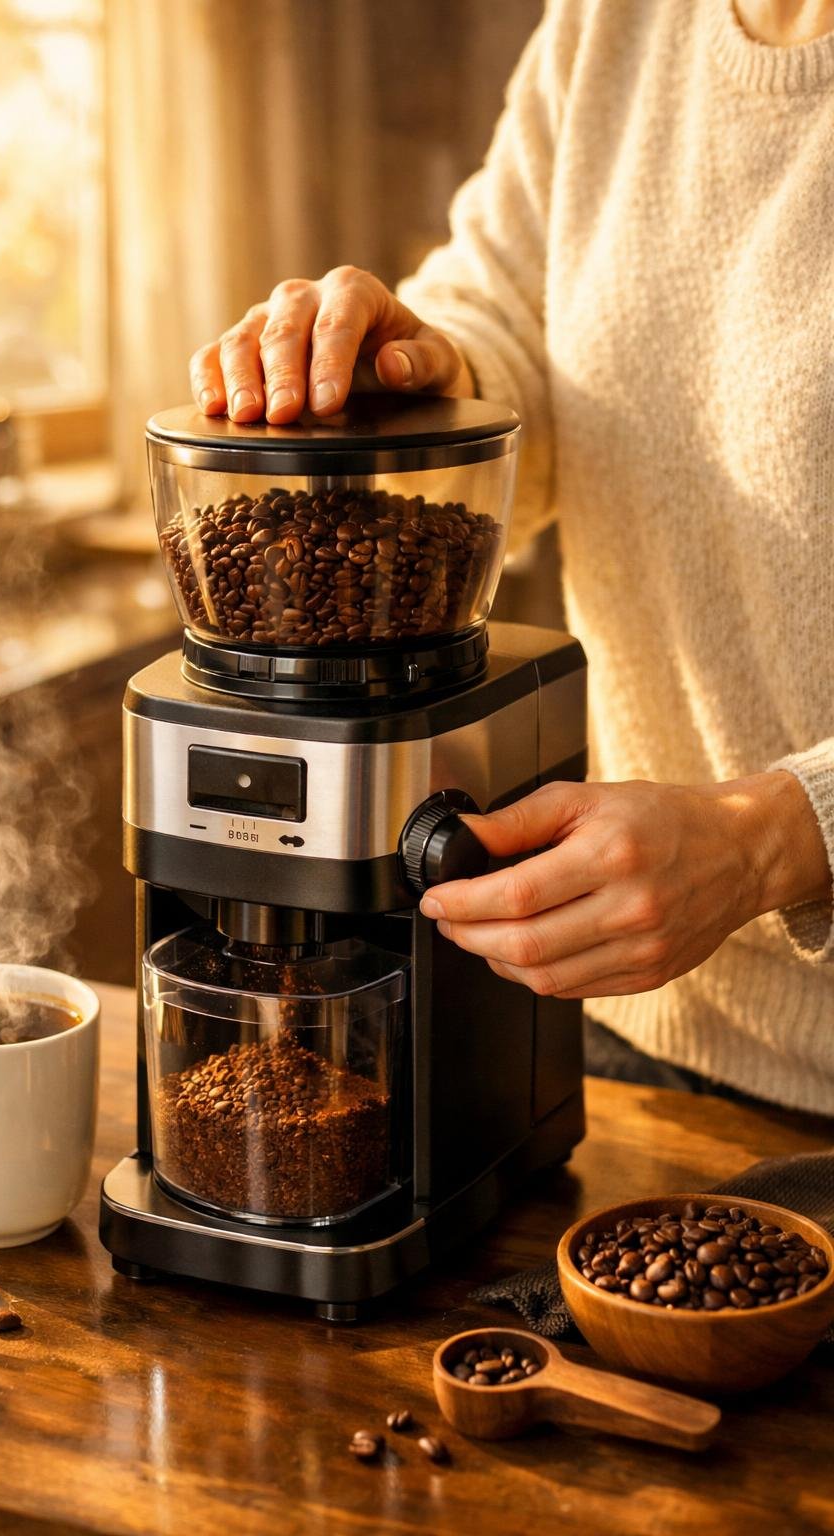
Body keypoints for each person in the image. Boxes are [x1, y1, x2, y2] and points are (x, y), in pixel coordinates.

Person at [188, 0, 834, 1113]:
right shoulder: (617, 23)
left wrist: (777, 841)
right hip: (634, 1010)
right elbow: (506, 314)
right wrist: (417, 359)